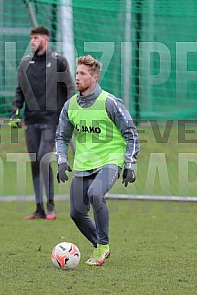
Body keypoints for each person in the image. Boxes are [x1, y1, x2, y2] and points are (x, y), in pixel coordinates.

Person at [55, 55, 140, 265]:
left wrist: (129, 164)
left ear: (94, 77)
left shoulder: (110, 102)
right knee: (76, 213)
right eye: (77, 73)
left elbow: (131, 133)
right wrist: (62, 161)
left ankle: (102, 247)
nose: (77, 77)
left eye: (82, 73)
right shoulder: (70, 106)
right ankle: (100, 245)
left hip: (111, 159)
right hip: (84, 163)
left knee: (95, 194)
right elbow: (61, 137)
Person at [9, 26, 74, 220]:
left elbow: (70, 89)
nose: (32, 41)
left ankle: (51, 207)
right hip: (31, 121)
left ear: (45, 40)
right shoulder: (25, 63)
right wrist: (15, 112)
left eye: (36, 38)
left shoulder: (58, 62)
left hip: (51, 121)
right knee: (35, 162)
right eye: (31, 38)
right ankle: (39, 209)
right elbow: (20, 90)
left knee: (43, 158)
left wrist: (67, 114)